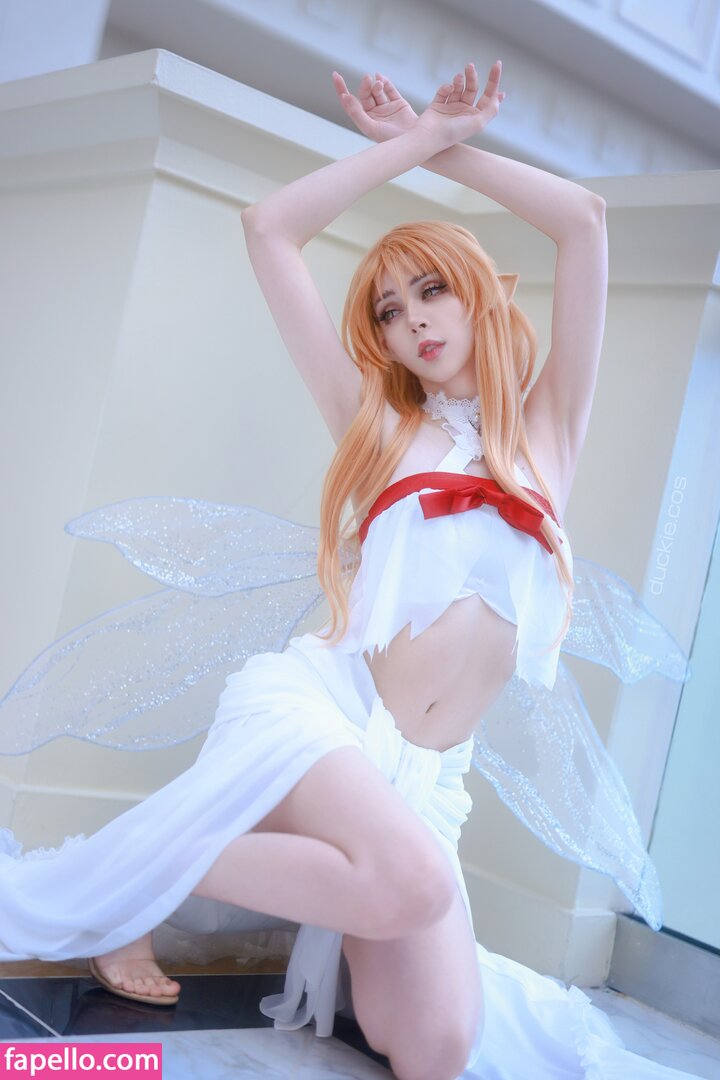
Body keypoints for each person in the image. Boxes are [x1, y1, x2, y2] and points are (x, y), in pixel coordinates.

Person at [0, 61, 698, 1079]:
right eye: (386, 312)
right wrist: (407, 145)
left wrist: (450, 142)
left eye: (431, 290)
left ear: (476, 295)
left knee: (438, 1049)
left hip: (431, 778)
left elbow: (584, 223)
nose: (412, 321)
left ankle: (167, 865)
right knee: (412, 886)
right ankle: (138, 879)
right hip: (322, 716)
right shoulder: (378, 429)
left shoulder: (548, 435)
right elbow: (268, 230)